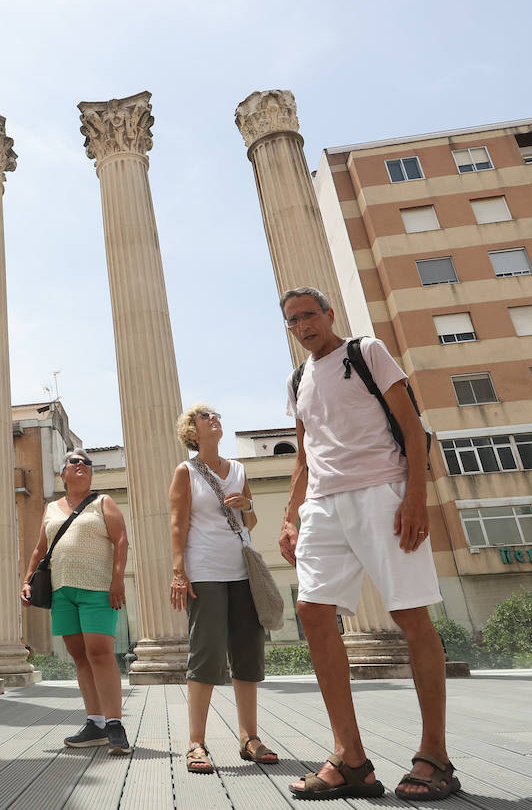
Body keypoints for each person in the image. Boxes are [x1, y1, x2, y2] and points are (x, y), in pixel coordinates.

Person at [279, 287, 460, 801]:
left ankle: (434, 756)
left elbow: (412, 427)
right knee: (312, 612)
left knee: (410, 615)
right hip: (322, 505)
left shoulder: (366, 352)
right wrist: (291, 518)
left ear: (329, 315)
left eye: (309, 315)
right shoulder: (297, 380)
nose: (303, 325)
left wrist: (416, 498)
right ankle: (351, 758)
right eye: (293, 320)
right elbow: (304, 455)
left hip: (382, 493)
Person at [168, 404, 277, 775]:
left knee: (248, 653)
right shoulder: (186, 472)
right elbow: (177, 524)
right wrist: (179, 571)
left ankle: (250, 738)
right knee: (206, 654)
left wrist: (248, 504)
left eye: (216, 415)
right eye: (205, 417)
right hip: (206, 572)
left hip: (242, 572)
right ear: (193, 431)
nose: (214, 419)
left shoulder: (240, 470)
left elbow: (252, 520)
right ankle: (196, 743)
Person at [20, 449, 132, 755]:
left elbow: (121, 540)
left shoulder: (102, 502)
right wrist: (28, 579)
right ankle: (94, 723)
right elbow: (41, 548)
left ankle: (115, 724)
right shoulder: (50, 508)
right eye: (74, 461)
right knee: (79, 656)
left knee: (100, 652)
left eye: (86, 462)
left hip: (97, 588)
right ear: (63, 475)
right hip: (62, 592)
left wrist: (117, 579)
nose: (81, 464)